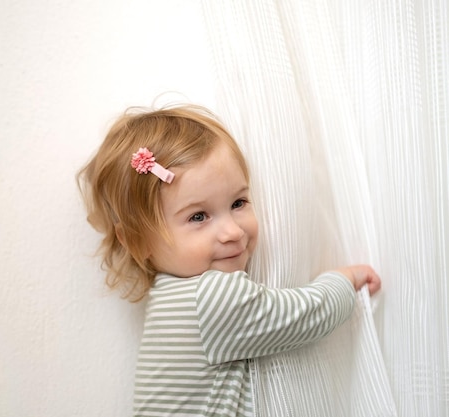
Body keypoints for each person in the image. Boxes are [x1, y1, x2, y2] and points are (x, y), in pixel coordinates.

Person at [78, 105, 381, 416]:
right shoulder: (210, 297)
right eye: (198, 216)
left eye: (238, 202)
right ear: (139, 241)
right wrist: (345, 280)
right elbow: (303, 316)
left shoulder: (170, 295)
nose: (233, 231)